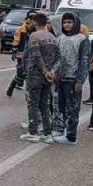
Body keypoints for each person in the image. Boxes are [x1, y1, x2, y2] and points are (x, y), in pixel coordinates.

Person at [51, 12, 91, 145]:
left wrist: (80, 80)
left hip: (73, 80)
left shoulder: (82, 40)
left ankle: (71, 135)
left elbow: (85, 61)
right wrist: (54, 73)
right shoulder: (60, 38)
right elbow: (56, 58)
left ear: (76, 23)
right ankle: (60, 129)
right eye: (65, 22)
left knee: (72, 108)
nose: (67, 25)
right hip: (60, 78)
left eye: (70, 22)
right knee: (60, 106)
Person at [19, 12, 58, 143]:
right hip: (48, 77)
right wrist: (52, 71)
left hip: (36, 74)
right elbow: (59, 58)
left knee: (33, 104)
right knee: (45, 104)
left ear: (35, 23)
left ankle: (33, 132)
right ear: (46, 23)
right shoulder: (53, 37)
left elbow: (36, 56)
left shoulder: (34, 36)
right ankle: (47, 133)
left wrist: (45, 71)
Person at [7, 15, 36, 97]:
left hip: (33, 55)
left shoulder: (38, 30)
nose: (28, 25)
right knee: (21, 72)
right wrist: (14, 51)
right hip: (22, 54)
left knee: (30, 74)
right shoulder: (20, 29)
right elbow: (16, 40)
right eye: (26, 23)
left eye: (29, 23)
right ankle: (12, 86)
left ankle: (30, 94)